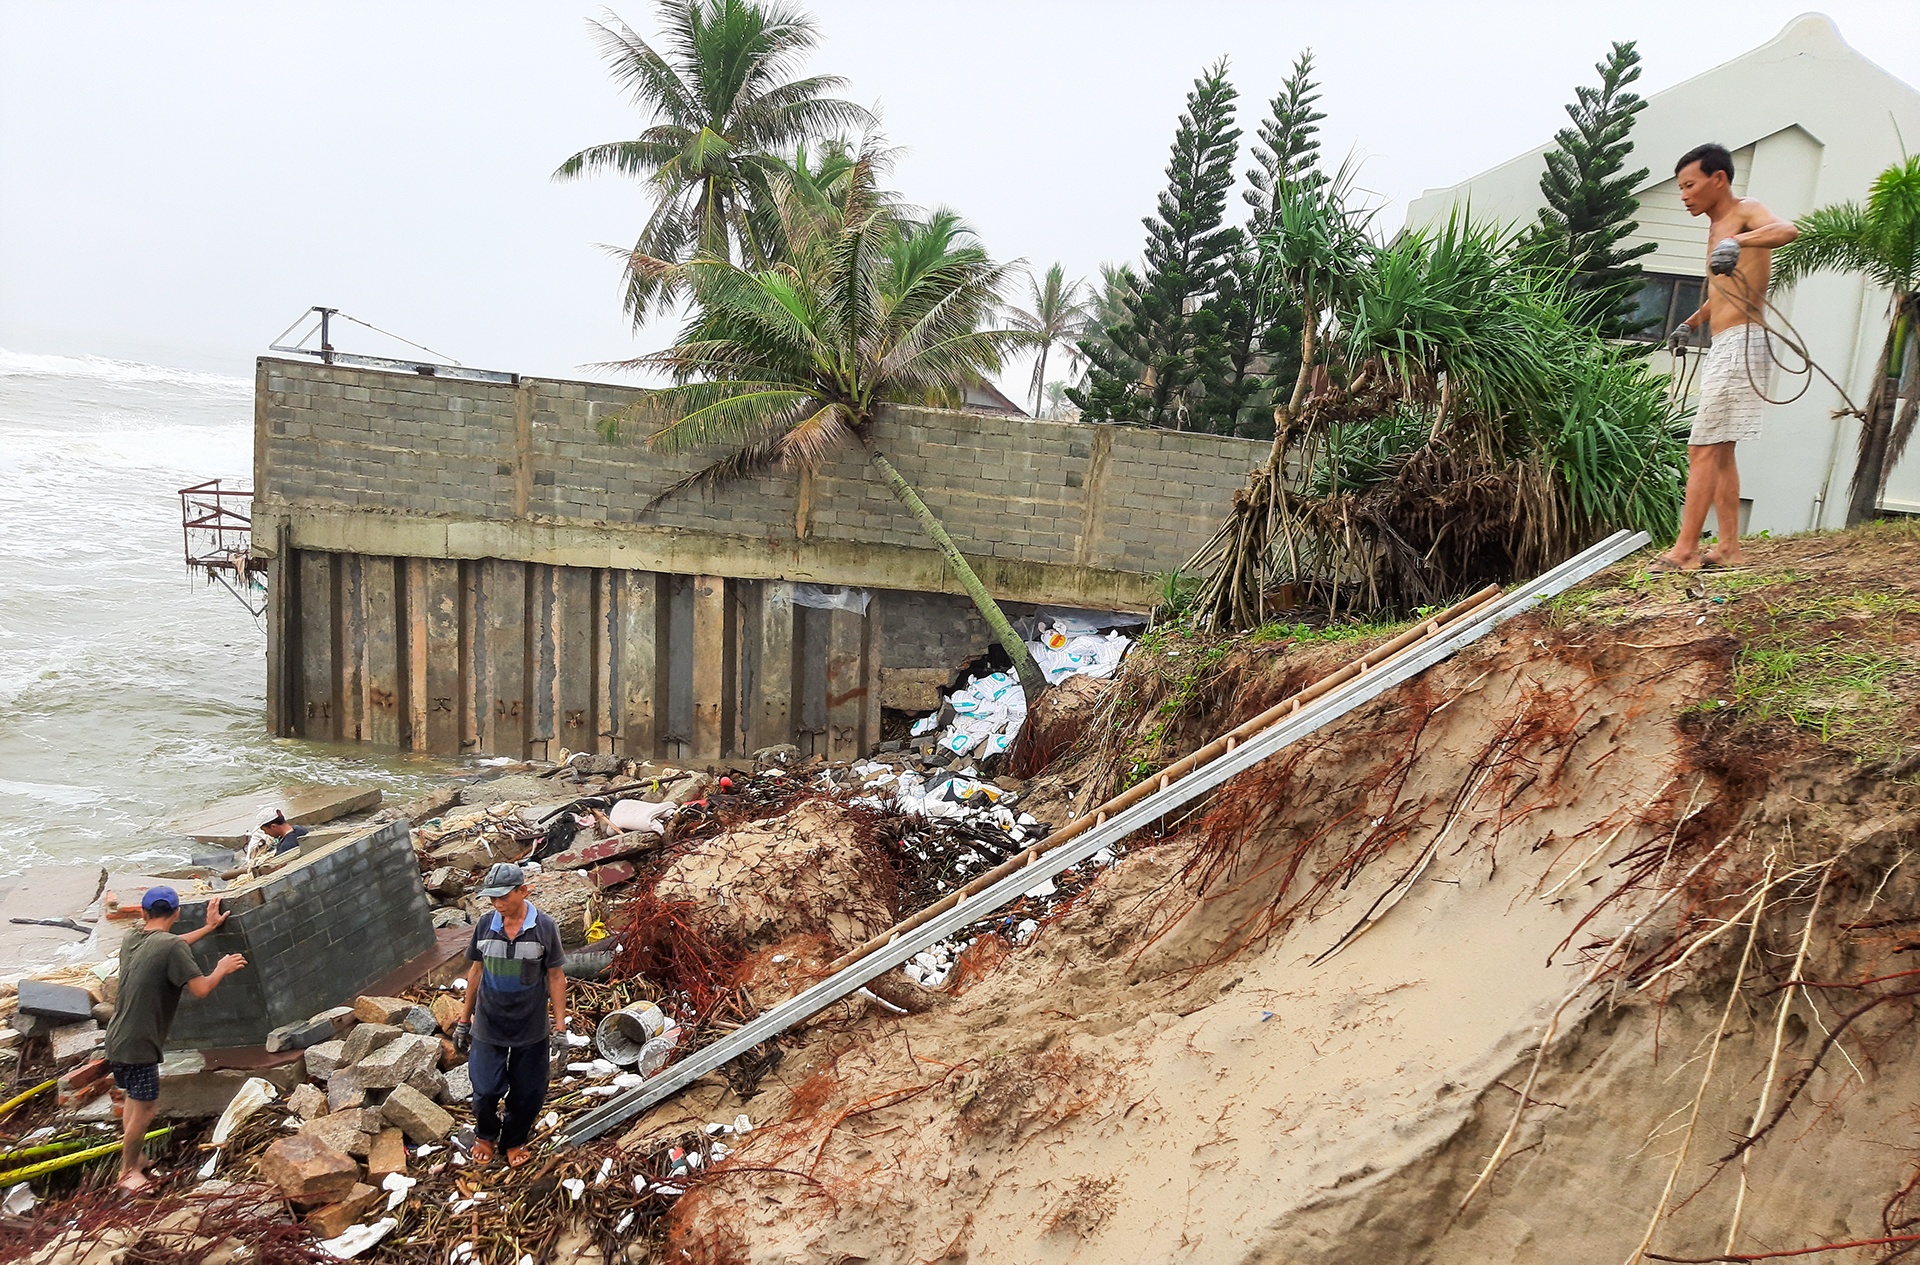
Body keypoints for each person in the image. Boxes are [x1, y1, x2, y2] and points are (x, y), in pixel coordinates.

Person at [1657, 142, 1799, 572]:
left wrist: (1739, 239)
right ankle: (1729, 549)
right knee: (1719, 452)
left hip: (1744, 340)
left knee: (1701, 448)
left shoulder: (1744, 212)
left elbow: (1787, 230)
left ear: (1718, 179)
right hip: (1725, 341)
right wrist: (1692, 323)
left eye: (1689, 185)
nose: (1684, 195)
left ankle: (1685, 550)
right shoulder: (1715, 228)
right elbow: (1722, 294)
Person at [101, 887, 248, 1193]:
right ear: (177, 913)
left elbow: (171, 944)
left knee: (133, 1098)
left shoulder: (133, 939)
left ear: (143, 914)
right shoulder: (170, 947)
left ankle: (136, 1158)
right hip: (140, 1043)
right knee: (146, 1110)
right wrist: (221, 968)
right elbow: (201, 989)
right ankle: (127, 1172)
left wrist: (208, 928)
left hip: (116, 1038)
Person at [452, 862, 568, 1168]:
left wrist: (560, 1028)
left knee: (528, 1090)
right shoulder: (486, 925)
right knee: (486, 1088)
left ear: (523, 891)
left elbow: (556, 977)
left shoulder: (544, 927)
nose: (497, 903)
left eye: (503, 896)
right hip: (490, 1023)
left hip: (530, 1026)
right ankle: (486, 1135)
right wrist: (464, 1021)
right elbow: (476, 971)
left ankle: (514, 1139)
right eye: (492, 898)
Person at [242, 807, 308, 871]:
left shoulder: (285, 847)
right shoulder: (298, 829)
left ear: (273, 826)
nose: (265, 833)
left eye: (264, 830)